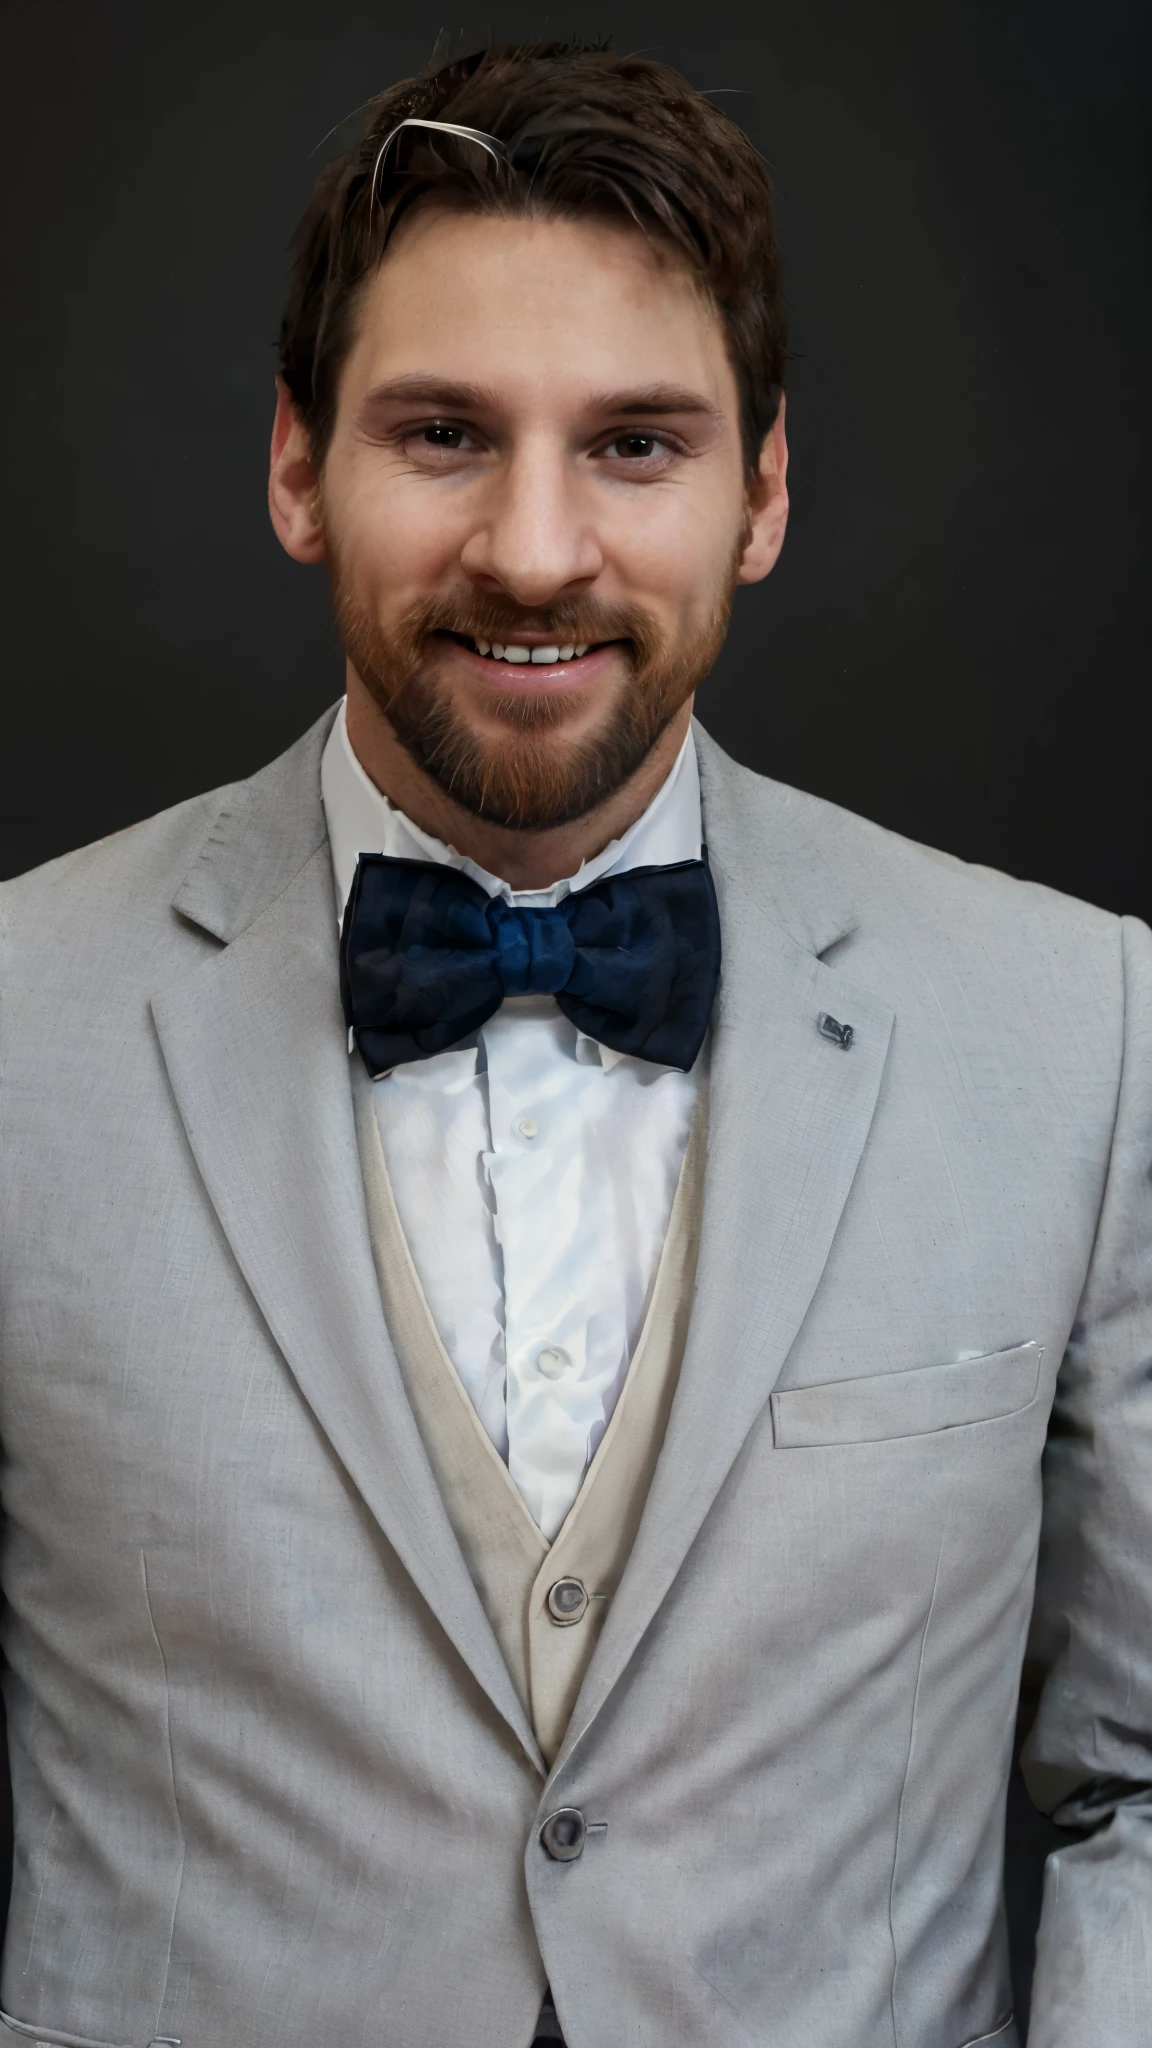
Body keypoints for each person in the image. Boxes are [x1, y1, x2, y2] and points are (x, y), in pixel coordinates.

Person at [0, 37, 1148, 2048]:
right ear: (295, 464)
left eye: (637, 444)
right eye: (444, 433)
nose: (536, 550)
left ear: (766, 489)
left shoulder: (1088, 1028)